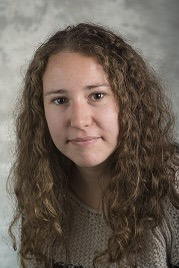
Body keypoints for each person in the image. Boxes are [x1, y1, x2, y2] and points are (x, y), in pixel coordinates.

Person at [8, 23, 179, 268]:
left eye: (97, 96)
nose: (79, 120)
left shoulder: (173, 190)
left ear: (129, 101)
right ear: (40, 113)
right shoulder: (42, 195)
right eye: (59, 100)